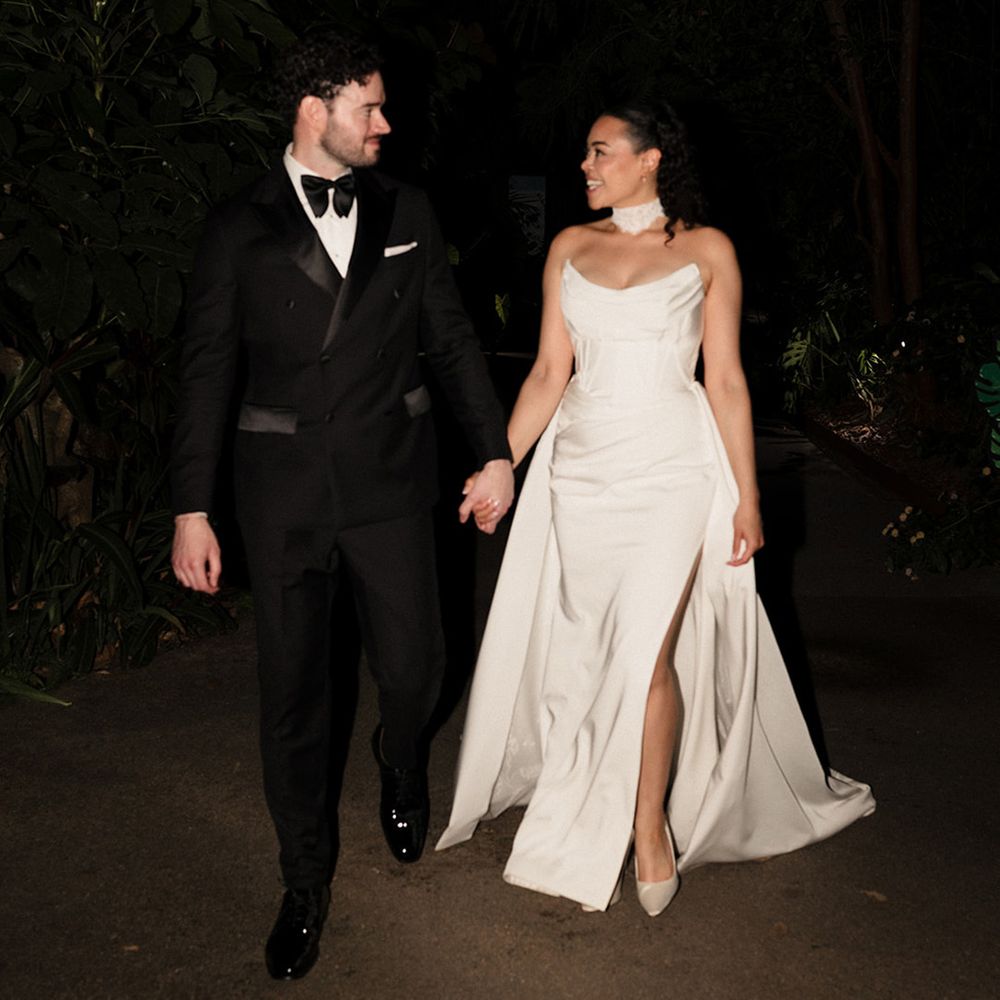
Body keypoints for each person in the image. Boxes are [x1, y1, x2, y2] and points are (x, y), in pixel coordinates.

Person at [436, 102, 874, 914]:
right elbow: (545, 375)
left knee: (648, 651)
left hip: (674, 473)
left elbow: (727, 380)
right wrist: (501, 464)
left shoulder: (708, 250)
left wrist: (747, 495)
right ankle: (590, 783)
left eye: (600, 152)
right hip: (583, 475)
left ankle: (647, 827)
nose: (585, 166)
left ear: (651, 159)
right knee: (592, 650)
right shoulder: (570, 247)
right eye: (586, 154)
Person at [170, 31, 514, 980]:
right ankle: (304, 884)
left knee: (416, 667)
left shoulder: (409, 208)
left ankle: (400, 757)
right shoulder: (237, 227)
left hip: (391, 482)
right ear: (314, 110)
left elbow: (448, 341)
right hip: (280, 496)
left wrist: (493, 450)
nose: (385, 124)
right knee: (291, 698)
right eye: (370, 106)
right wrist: (190, 507)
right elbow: (205, 374)